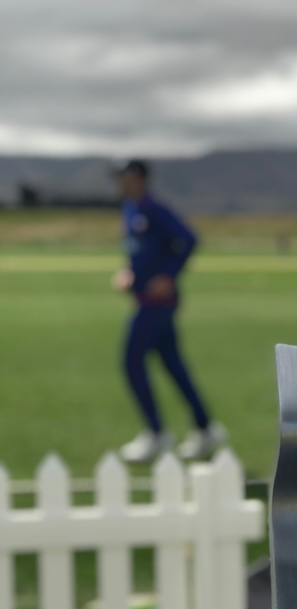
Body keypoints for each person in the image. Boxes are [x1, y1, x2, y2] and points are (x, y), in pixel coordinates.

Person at [112, 159, 227, 462]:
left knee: (131, 360)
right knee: (172, 363)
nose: (120, 181)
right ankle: (205, 427)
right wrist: (130, 274)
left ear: (138, 177)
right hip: (144, 300)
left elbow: (187, 239)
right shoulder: (130, 209)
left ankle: (156, 433)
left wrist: (168, 275)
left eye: (124, 176)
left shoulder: (154, 209)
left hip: (157, 304)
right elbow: (141, 251)